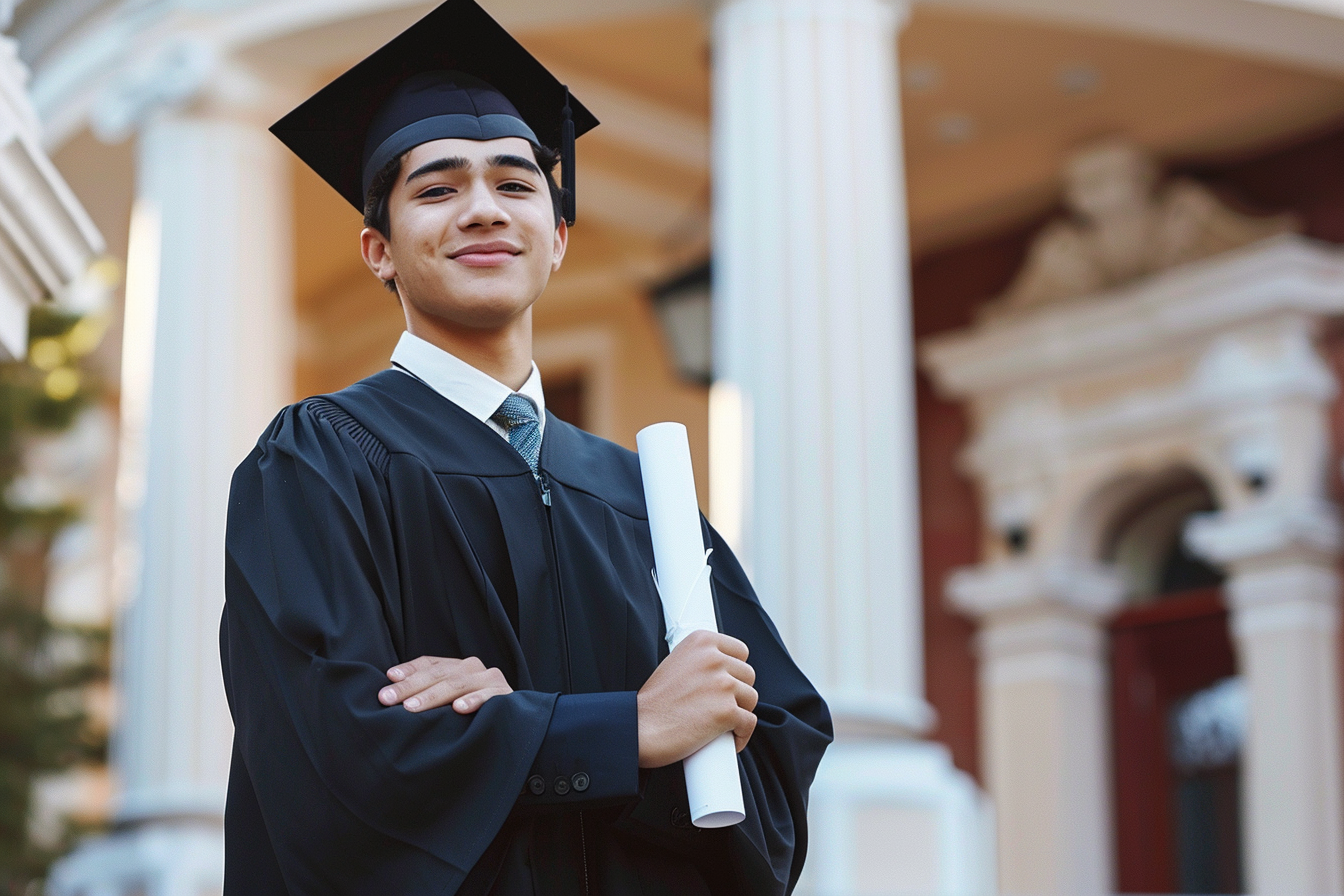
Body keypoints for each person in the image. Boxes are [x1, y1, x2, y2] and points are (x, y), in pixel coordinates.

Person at [219, 1, 832, 893]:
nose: (481, 211)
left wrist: (520, 727)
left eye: (515, 185)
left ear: (557, 242)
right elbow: (333, 754)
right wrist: (623, 731)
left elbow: (767, 769)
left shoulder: (639, 499)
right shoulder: (319, 461)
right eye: (436, 189)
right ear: (378, 249)